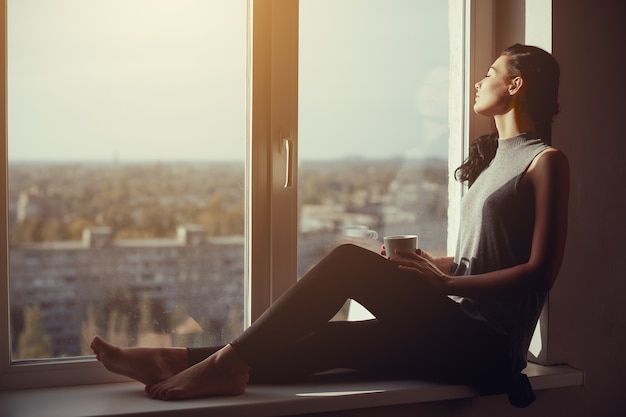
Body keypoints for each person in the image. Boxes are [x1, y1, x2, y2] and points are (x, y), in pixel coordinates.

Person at [91, 44, 569, 407]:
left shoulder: (545, 161)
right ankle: (173, 360)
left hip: (489, 349)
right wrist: (427, 267)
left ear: (516, 85)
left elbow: (540, 273)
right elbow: (478, 258)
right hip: (454, 329)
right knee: (328, 341)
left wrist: (446, 282)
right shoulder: (490, 163)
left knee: (346, 260)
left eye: (490, 74)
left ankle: (225, 363)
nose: (479, 81)